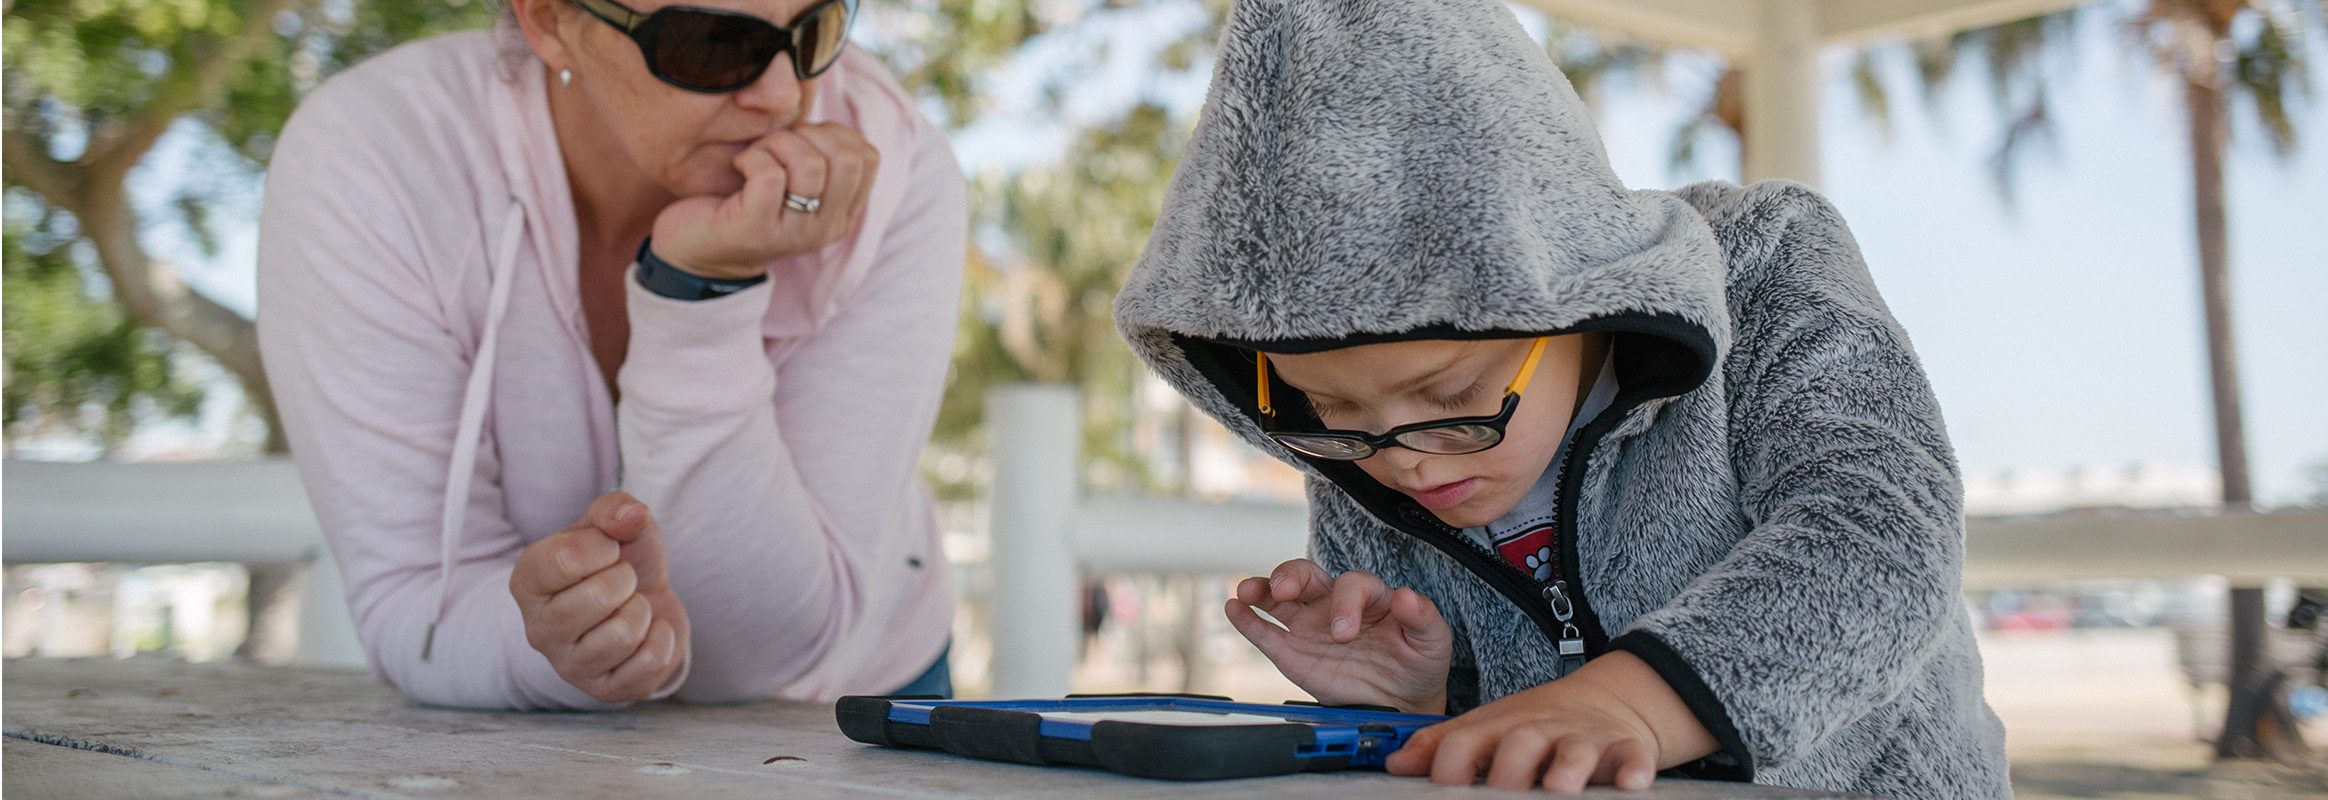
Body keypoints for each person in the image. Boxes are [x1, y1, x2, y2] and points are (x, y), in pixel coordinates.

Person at [1112, 0, 2009, 796]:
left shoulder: (1766, 266)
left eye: (1452, 392)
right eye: (1334, 413)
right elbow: (1494, 748)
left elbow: (1883, 533)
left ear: (1575, 301)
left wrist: (1633, 703)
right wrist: (1417, 707)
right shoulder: (1358, 459)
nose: (1404, 459)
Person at [256, 0, 964, 710]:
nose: (784, 95)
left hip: (860, 701)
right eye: (711, 43)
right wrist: (550, 646)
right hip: (536, 736)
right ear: (550, 22)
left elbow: (756, 653)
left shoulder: (894, 168)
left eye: (816, 29)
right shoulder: (370, 158)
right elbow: (415, 599)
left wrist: (700, 297)